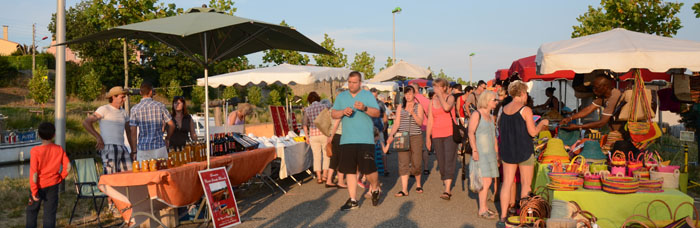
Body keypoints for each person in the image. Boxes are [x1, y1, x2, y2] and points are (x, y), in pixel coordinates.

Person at [497, 81, 549, 224]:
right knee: (526, 185)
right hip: (524, 150)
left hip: (507, 150)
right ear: (521, 93)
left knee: (506, 183)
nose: (527, 95)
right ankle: (524, 217)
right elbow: (532, 132)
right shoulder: (525, 110)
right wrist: (542, 123)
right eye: (526, 93)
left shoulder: (503, 109)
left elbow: (500, 129)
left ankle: (503, 216)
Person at [331, 71, 382, 210]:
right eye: (349, 82)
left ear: (360, 83)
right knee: (350, 171)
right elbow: (333, 113)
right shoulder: (342, 96)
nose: (351, 85)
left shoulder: (367, 95)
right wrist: (342, 112)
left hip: (365, 139)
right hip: (347, 140)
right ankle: (353, 200)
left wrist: (364, 108)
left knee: (369, 169)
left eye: (354, 82)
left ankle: (375, 187)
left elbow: (377, 113)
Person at [26, 122, 70, 228]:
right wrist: (60, 177)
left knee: (32, 211)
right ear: (54, 135)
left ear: (39, 135)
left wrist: (34, 191)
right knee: (50, 213)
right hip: (53, 185)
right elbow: (68, 166)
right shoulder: (59, 149)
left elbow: (34, 173)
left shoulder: (35, 151)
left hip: (39, 185)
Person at [83, 86, 134, 174]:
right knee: (110, 175)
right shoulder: (104, 109)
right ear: (114, 97)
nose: (124, 99)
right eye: (122, 97)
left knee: (128, 174)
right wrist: (98, 137)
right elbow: (86, 122)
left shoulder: (124, 112)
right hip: (109, 146)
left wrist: (133, 150)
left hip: (122, 146)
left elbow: (129, 132)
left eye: (124, 97)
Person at [384, 85, 425, 197]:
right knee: (403, 162)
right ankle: (404, 189)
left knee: (416, 162)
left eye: (410, 93)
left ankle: (418, 184)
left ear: (414, 94)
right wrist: (391, 135)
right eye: (406, 93)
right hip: (401, 135)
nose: (408, 96)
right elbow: (396, 123)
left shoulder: (418, 106)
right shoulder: (400, 107)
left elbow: (420, 123)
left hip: (415, 136)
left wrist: (412, 113)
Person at [467, 91, 500, 219]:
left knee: (488, 181)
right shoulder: (477, 114)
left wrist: (497, 154)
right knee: (484, 182)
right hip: (481, 152)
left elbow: (494, 137)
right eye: (494, 100)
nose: (496, 102)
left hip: (490, 153)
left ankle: (485, 207)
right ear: (486, 100)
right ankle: (482, 209)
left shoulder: (491, 116)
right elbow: (471, 133)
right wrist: (474, 150)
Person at [426, 78, 457, 201]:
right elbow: (430, 120)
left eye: (438, 87)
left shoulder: (450, 98)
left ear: (444, 87)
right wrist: (428, 138)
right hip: (437, 134)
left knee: (449, 159)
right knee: (441, 161)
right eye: (434, 87)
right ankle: (445, 178)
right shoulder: (432, 101)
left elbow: (446, 108)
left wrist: (440, 96)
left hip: (450, 133)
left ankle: (447, 190)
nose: (435, 89)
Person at [129, 81, 175, 161]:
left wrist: (134, 151)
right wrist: (167, 138)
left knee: (145, 173)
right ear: (151, 92)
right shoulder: (160, 106)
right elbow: (171, 125)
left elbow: (133, 131)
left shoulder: (134, 109)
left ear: (140, 92)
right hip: (159, 146)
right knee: (161, 171)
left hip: (143, 148)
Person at [302, 92, 332, 184]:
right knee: (326, 155)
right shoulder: (324, 107)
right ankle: (325, 175)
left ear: (309, 100)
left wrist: (307, 136)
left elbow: (304, 124)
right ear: (318, 98)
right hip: (324, 134)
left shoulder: (307, 109)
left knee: (316, 156)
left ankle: (318, 177)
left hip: (313, 135)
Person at [410, 84, 432, 175]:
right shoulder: (426, 100)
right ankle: (426, 168)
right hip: (425, 126)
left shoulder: (411, 100)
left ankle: (414, 168)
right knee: (424, 149)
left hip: (414, 127)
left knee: (413, 149)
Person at [325, 107, 347, 189]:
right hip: (339, 135)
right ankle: (340, 182)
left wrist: (329, 135)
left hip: (332, 135)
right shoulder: (341, 110)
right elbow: (336, 123)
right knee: (341, 159)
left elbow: (328, 124)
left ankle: (329, 180)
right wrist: (332, 135)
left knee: (334, 159)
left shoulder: (331, 110)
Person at [370, 88, 389, 175]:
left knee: (382, 148)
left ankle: (385, 169)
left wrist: (385, 125)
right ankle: (373, 168)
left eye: (375, 96)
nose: (374, 97)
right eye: (373, 96)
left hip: (379, 129)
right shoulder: (367, 103)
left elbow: (384, 115)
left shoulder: (380, 103)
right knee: (371, 150)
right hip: (369, 130)